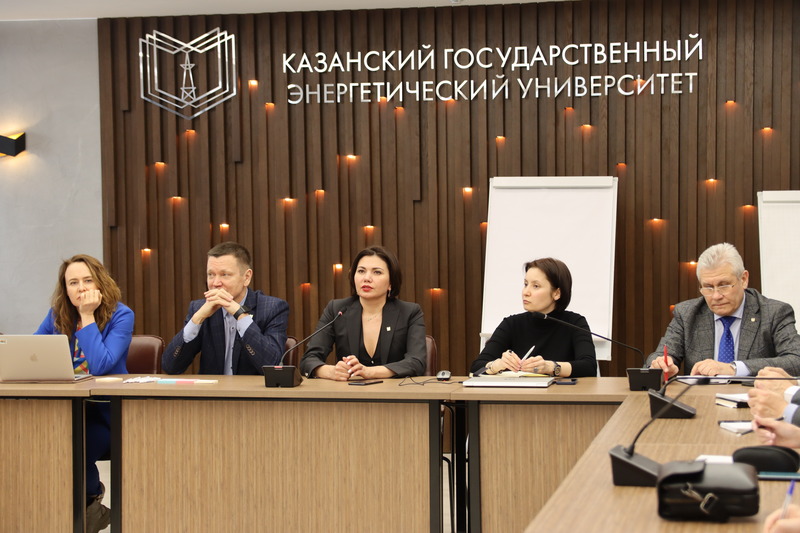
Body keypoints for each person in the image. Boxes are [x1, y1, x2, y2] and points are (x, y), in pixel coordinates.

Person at [35, 254, 134, 533]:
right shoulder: (56, 314)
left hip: (105, 413)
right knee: (42, 444)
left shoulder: (121, 315)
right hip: (64, 408)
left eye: (87, 280)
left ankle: (87, 515)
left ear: (100, 283)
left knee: (76, 447)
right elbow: (34, 353)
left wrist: (87, 316)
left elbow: (102, 365)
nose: (81, 288)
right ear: (65, 289)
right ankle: (79, 515)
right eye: (73, 282)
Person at [646, 243, 800, 378]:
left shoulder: (774, 312)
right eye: (708, 287)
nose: (716, 296)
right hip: (701, 400)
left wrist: (733, 368)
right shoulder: (687, 313)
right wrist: (660, 365)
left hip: (754, 398)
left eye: (724, 285)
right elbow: (660, 356)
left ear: (743, 279)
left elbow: (796, 359)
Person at [300, 246, 426, 380]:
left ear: (391, 282)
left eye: (377, 272)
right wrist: (331, 371)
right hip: (349, 391)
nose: (367, 278)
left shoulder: (409, 312)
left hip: (397, 391)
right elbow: (309, 360)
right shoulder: (337, 310)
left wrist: (370, 372)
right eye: (361, 271)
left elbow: (416, 362)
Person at [163, 242, 289, 375]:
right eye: (211, 274)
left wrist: (240, 314)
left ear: (246, 277)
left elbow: (272, 365)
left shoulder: (272, 308)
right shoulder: (199, 308)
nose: (215, 283)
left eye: (225, 275)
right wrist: (197, 319)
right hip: (214, 388)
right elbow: (170, 367)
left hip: (252, 389)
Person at [470, 257, 597, 378]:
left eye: (536, 286)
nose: (526, 292)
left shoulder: (575, 323)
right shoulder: (512, 323)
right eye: (525, 284)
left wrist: (551, 367)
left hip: (560, 392)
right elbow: (476, 367)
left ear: (556, 293)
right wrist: (496, 365)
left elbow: (589, 367)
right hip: (520, 392)